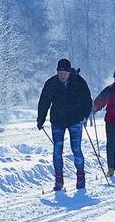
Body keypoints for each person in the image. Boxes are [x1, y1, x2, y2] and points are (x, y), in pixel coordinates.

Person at [37, 59, 93, 191]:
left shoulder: (79, 82)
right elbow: (44, 101)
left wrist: (85, 116)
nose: (62, 75)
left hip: (75, 120)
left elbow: (87, 100)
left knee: (76, 149)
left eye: (64, 73)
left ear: (69, 73)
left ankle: (80, 177)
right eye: (60, 72)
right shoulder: (51, 83)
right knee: (57, 151)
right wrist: (41, 118)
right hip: (57, 121)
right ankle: (59, 180)